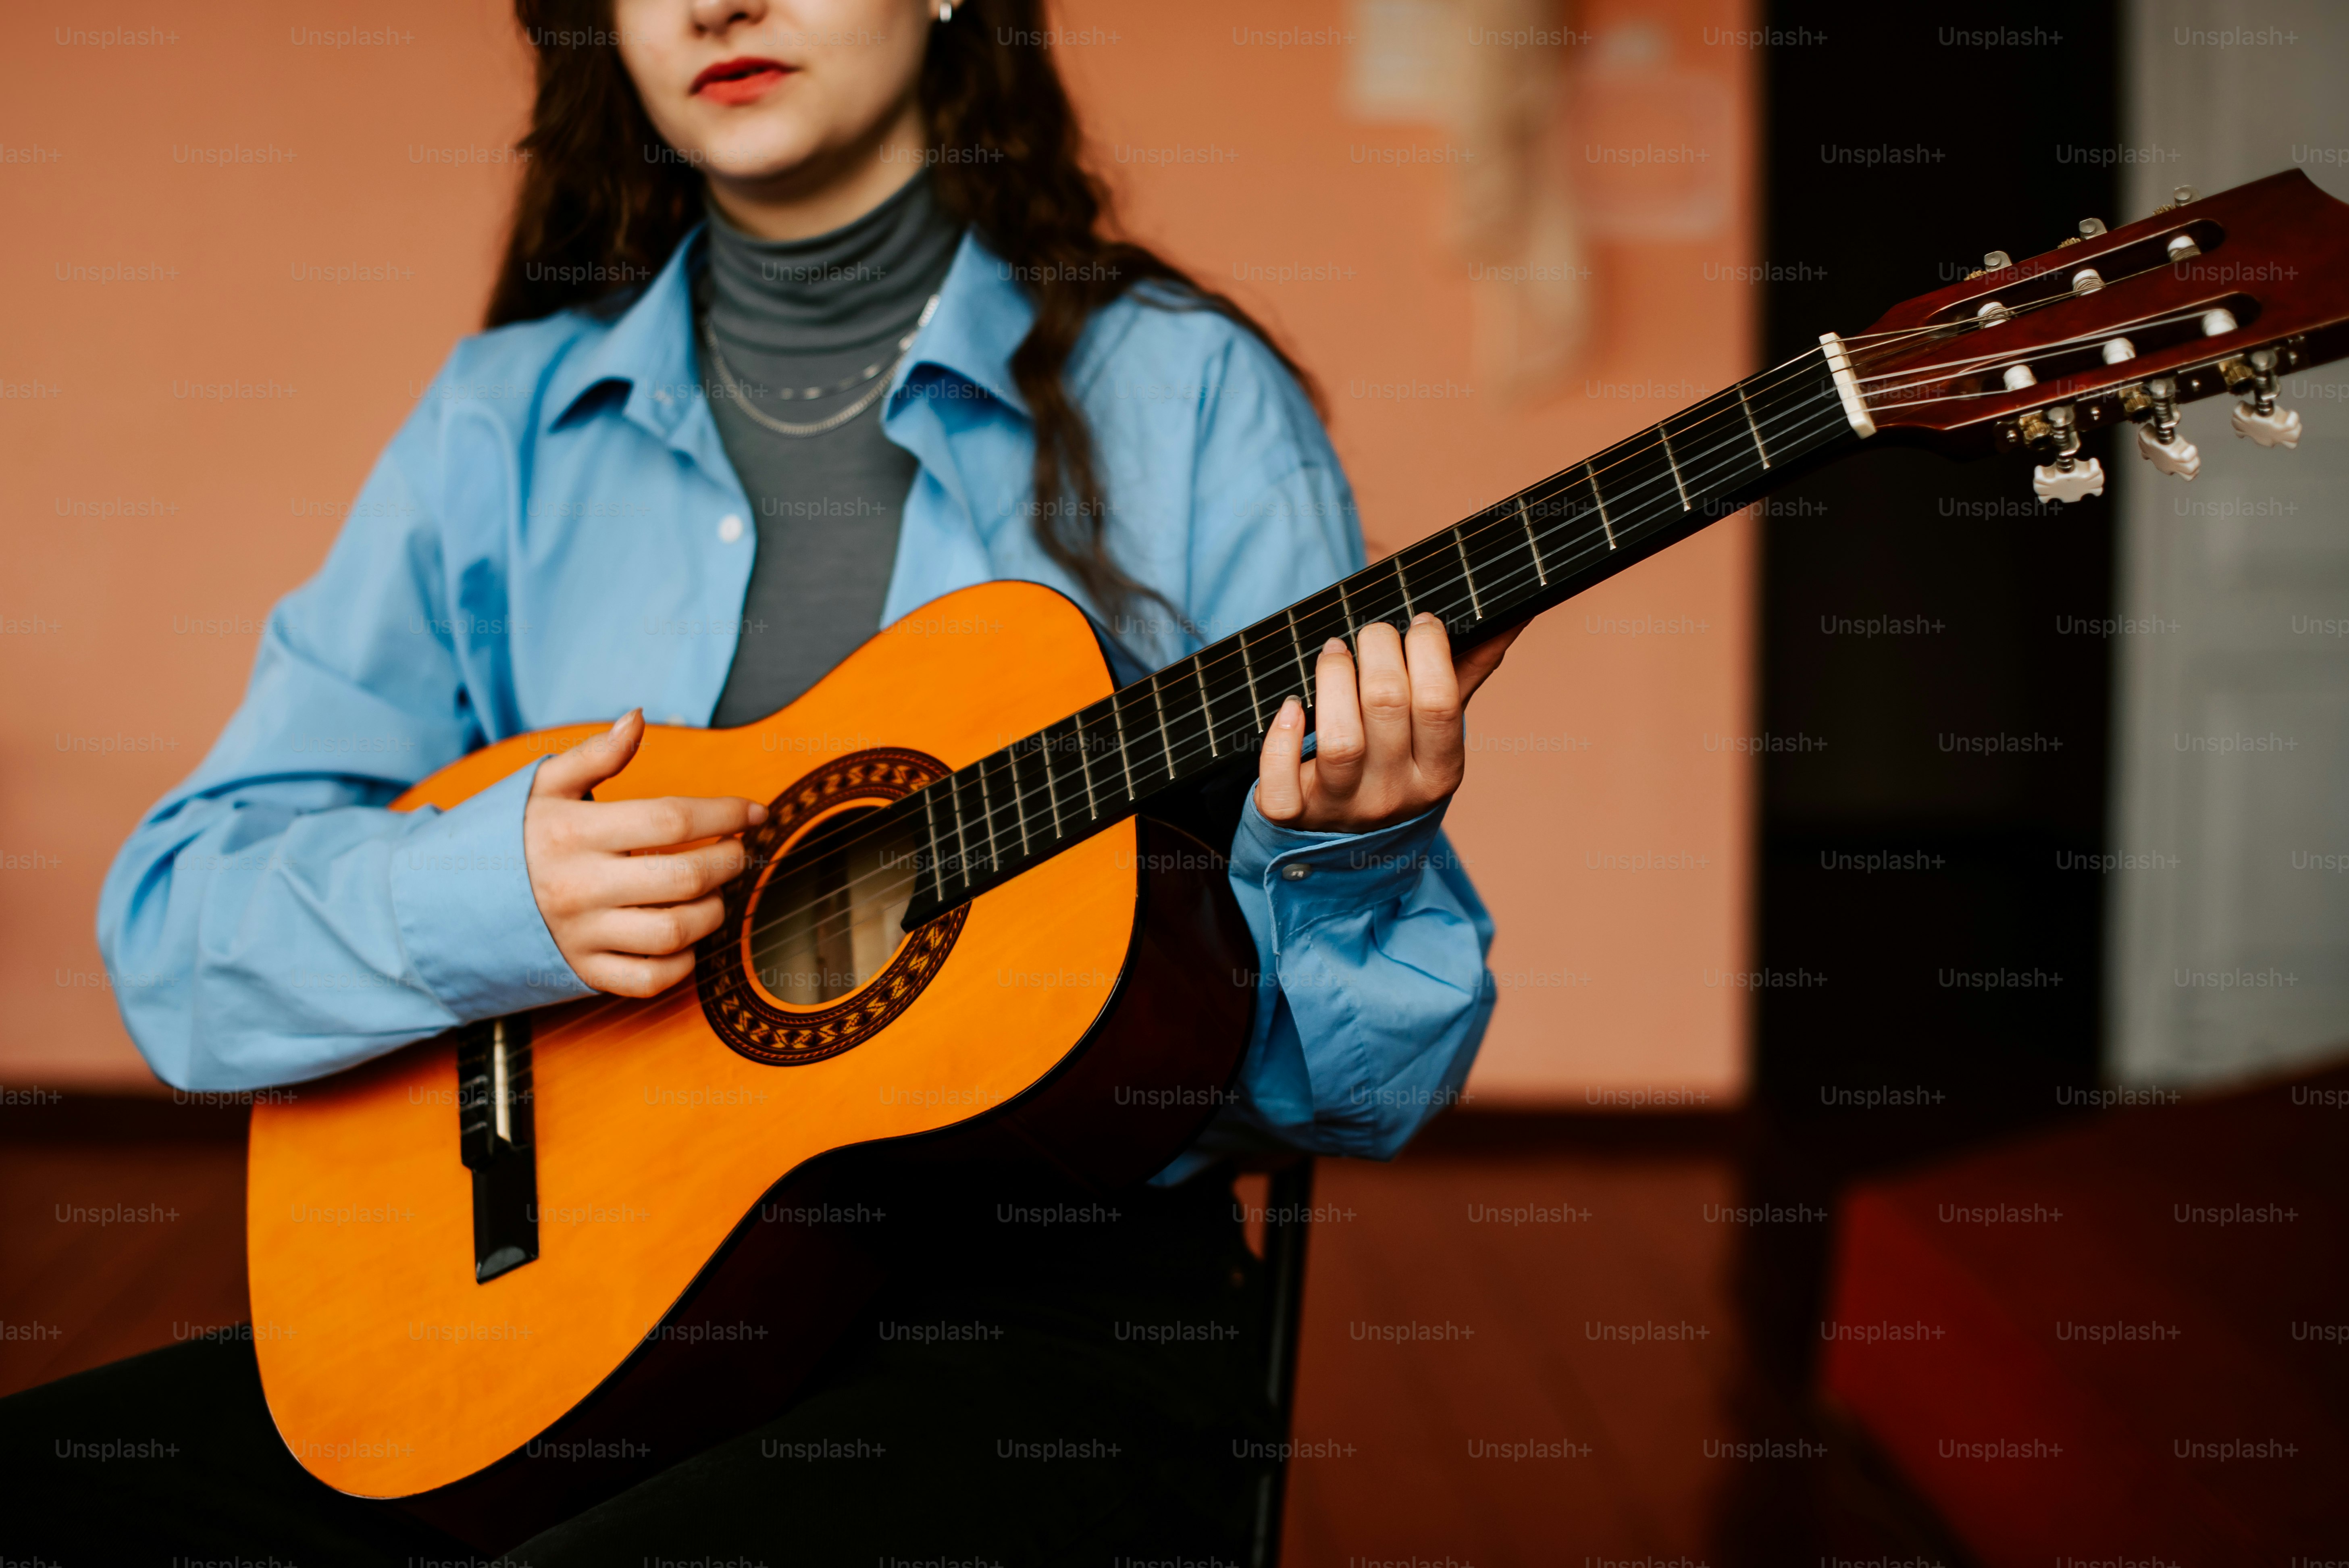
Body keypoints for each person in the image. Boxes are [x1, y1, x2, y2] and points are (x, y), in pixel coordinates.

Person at [3, 0, 1522, 1562]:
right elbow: (176, 938)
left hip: (1038, 1333)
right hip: (557, 1318)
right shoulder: (496, 428)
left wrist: (1337, 854)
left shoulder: (1187, 397)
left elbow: (1360, 1089)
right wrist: (493, 897)